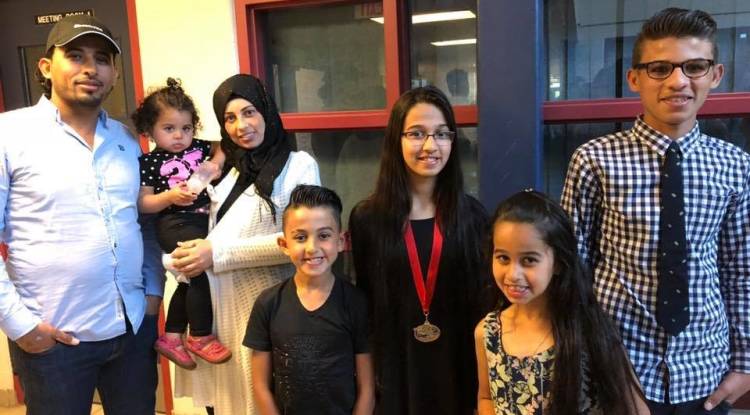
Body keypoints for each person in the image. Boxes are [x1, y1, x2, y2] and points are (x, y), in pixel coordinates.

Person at [561, 8, 750, 414]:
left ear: (716, 75)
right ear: (635, 79)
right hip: (618, 369)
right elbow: (571, 270)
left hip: (705, 372)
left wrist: (744, 364)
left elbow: (740, 270)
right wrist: (587, 361)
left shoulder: (736, 165)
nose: (678, 81)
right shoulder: (594, 160)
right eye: (660, 68)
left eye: (694, 67)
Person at [0, 14, 158, 414]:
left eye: (102, 59)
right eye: (75, 56)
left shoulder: (125, 139)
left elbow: (143, 223)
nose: (91, 68)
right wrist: (20, 325)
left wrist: (153, 294)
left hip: (131, 329)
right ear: (46, 67)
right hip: (55, 342)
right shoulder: (9, 135)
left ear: (114, 74)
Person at [169, 74, 320, 415]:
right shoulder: (230, 171)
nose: (241, 126)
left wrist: (215, 254)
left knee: (265, 402)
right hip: (216, 320)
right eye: (230, 118)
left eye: (249, 112)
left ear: (266, 111)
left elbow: (304, 244)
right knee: (222, 406)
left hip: (264, 316)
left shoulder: (298, 166)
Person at [349, 85, 495, 414]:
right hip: (396, 372)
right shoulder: (368, 218)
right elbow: (365, 307)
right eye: (416, 133)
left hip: (457, 370)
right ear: (396, 140)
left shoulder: (472, 216)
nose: (430, 146)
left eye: (442, 134)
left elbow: (482, 307)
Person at [475, 190, 648, 415]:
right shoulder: (487, 332)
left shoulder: (589, 330)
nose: (513, 274)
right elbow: (487, 397)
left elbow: (634, 409)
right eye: (503, 258)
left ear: (557, 262)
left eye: (529, 260)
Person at [244, 184, 375, 414]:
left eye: (324, 236)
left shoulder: (356, 303)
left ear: (341, 241)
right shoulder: (268, 303)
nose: (312, 248)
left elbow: (367, 389)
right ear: (284, 245)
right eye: (301, 237)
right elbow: (260, 386)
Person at [133, 77, 230, 370]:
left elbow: (223, 145)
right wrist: (170, 196)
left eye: (186, 128)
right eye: (169, 128)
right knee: (198, 272)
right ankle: (199, 335)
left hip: (202, 221)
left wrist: (216, 163)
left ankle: (172, 336)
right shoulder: (149, 162)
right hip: (173, 222)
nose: (179, 136)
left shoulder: (198, 148)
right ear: (149, 130)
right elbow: (143, 203)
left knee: (188, 278)